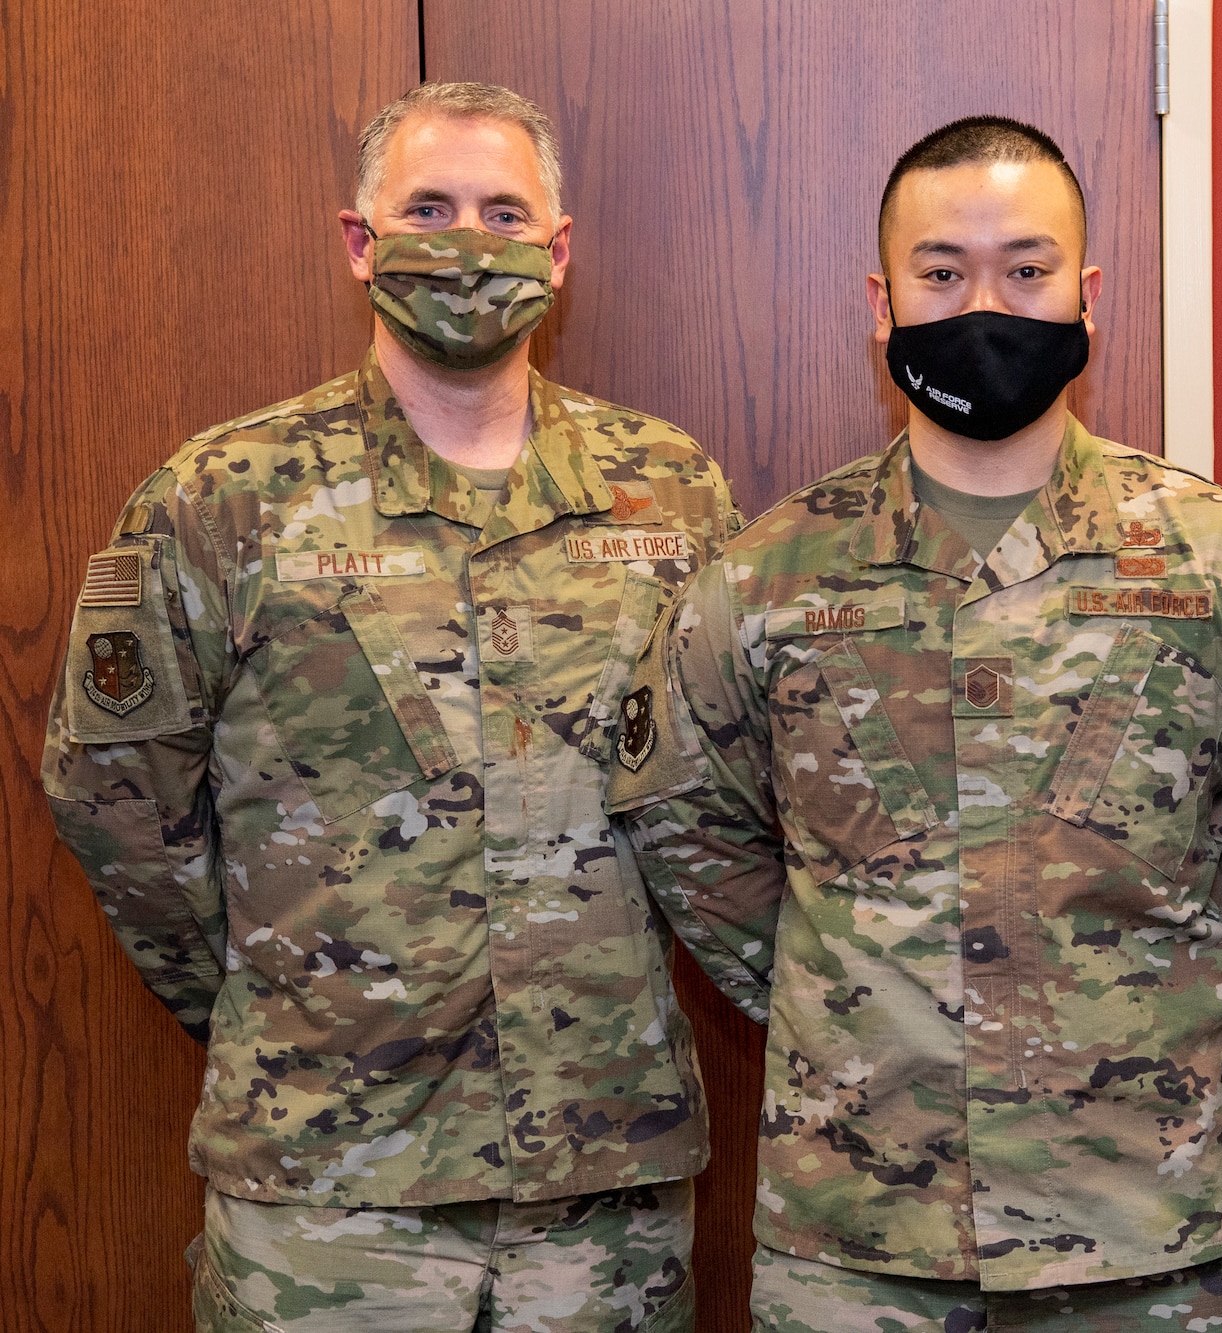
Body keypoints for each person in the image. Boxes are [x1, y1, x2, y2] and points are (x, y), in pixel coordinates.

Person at [608, 115, 1222, 1332]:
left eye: (1025, 268)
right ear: (881, 298)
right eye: (940, 272)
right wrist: (845, 999)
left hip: (1147, 1231)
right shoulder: (768, 575)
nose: (984, 302)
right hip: (860, 1241)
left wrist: (1172, 1000)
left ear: (1085, 291)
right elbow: (689, 827)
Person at [41, 82, 735, 1332]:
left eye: (502, 212)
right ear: (359, 242)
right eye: (427, 207)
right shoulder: (226, 495)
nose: (466, 241)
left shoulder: (668, 493)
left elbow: (727, 796)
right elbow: (114, 799)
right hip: (325, 1197)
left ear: (557, 251)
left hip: (602, 1191)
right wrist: (275, 1004)